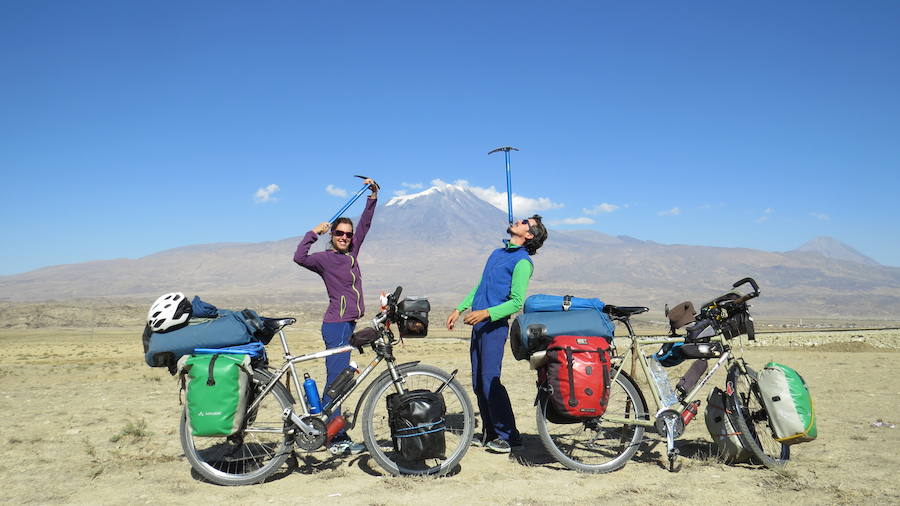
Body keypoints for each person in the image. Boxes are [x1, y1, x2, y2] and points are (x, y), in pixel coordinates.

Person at [446, 215, 548, 453]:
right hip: (479, 326)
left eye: (524, 222)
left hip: (494, 327)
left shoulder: (523, 262)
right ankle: (491, 432)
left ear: (529, 235)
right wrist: (459, 308)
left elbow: (515, 303)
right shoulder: (497, 254)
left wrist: (485, 314)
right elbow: (480, 286)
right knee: (478, 383)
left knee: (490, 380)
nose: (518, 221)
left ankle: (510, 436)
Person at [293, 178, 379, 455]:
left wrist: (372, 198)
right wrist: (312, 233)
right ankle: (335, 437)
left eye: (348, 234)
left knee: (340, 379)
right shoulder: (324, 259)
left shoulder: (352, 253)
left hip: (347, 323)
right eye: (340, 233)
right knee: (336, 381)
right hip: (335, 325)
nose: (344, 237)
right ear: (333, 235)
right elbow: (299, 256)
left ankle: (331, 431)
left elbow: (365, 225)